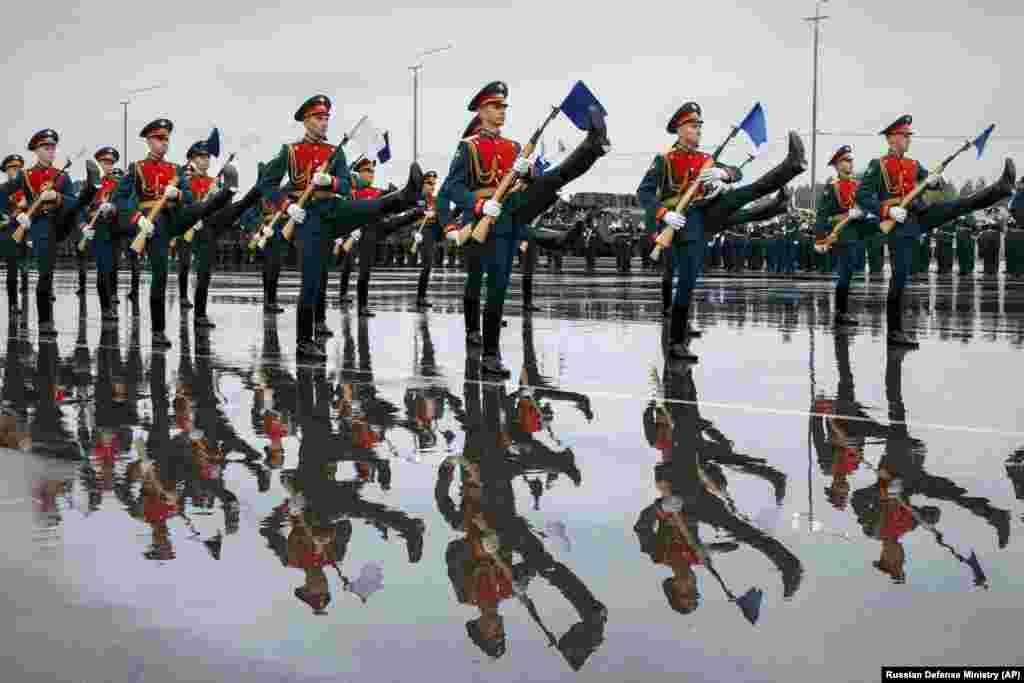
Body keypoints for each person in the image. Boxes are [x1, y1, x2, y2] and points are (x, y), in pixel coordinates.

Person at [441, 81, 609, 376]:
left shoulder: (514, 147)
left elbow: (527, 180)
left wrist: (528, 171)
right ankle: (487, 350)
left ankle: (592, 146)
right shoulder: (468, 147)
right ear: (482, 110)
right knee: (486, 285)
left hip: (510, 210)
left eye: (504, 106)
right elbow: (451, 188)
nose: (502, 111)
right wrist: (477, 207)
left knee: (551, 180)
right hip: (483, 220)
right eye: (496, 106)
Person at [637, 102, 806, 360]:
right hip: (682, 220)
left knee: (744, 193)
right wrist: (664, 214)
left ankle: (791, 166)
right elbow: (644, 193)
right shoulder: (665, 160)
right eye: (693, 126)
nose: (698, 131)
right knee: (688, 280)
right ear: (680, 130)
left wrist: (723, 173)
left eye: (699, 126)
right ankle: (676, 342)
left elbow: (737, 173)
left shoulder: (706, 159)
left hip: (707, 210)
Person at [257, 95, 423, 358]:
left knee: (369, 209)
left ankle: (404, 197)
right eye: (318, 118)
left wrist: (331, 181)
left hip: (333, 208)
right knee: (312, 279)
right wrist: (286, 206)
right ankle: (304, 340)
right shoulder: (289, 151)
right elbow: (266, 185)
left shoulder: (335, 151)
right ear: (306, 121)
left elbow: (347, 185)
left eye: (326, 118)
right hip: (307, 216)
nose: (323, 123)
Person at [855, 114, 1016, 347]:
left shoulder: (913, 164)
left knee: (959, 205)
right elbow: (862, 195)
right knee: (899, 276)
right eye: (904, 135)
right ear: (891, 139)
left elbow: (933, 181)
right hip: (899, 223)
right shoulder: (877, 165)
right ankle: (894, 332)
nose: (908, 139)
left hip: (922, 214)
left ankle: (1000, 188)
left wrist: (935, 180)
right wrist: (886, 212)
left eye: (909, 135)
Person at [114, 119, 237, 348]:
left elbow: (188, 200)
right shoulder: (137, 168)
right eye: (159, 139)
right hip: (152, 224)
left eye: (166, 139)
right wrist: (137, 218)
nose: (163, 143)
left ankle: (225, 194)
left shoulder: (175, 170)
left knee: (199, 208)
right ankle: (158, 331)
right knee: (160, 274)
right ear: (149, 141)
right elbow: (119, 199)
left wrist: (177, 195)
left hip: (174, 218)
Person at [814, 145, 877, 327]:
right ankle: (841, 312)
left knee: (850, 273)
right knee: (845, 272)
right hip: (841, 234)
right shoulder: (832, 187)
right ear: (837, 164)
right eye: (845, 161)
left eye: (851, 160)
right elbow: (822, 214)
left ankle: (842, 310)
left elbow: (868, 207)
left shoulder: (858, 185)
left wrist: (862, 213)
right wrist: (819, 238)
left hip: (857, 232)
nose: (850, 164)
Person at [77, 147, 122, 322]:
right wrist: (83, 226)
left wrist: (113, 208)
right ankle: (106, 308)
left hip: (114, 230)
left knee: (112, 269)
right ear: (99, 163)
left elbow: (125, 206)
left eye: (111, 163)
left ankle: (110, 299)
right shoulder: (90, 185)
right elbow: (80, 208)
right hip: (98, 231)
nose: (108, 166)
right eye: (104, 162)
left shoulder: (118, 185)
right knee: (103, 270)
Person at [1, 154, 25, 315]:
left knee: (23, 267)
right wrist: (8, 217)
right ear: (6, 170)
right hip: (8, 232)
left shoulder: (26, 189)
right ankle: (13, 303)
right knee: (12, 269)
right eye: (12, 167)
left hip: (24, 231)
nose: (16, 170)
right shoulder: (2, 190)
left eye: (18, 167)